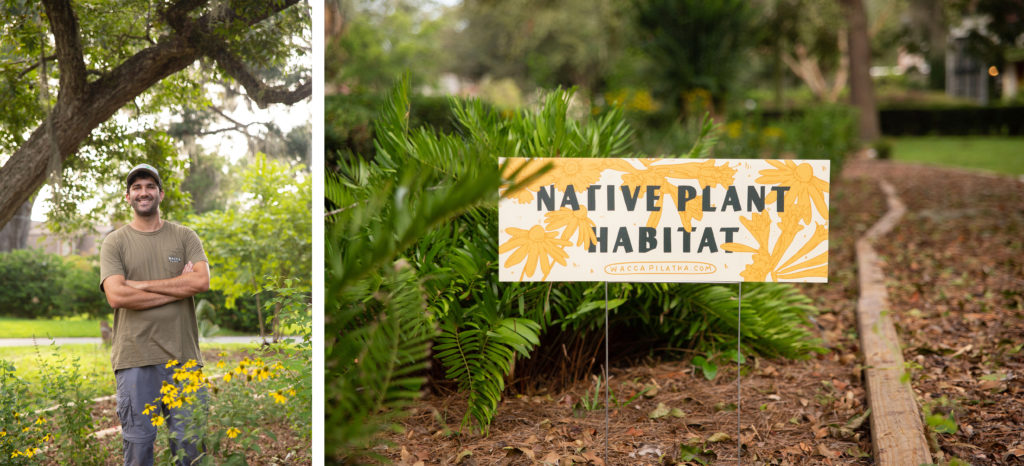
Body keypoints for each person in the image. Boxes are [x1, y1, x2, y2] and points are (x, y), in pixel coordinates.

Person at [99, 163, 211, 466]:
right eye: (136, 187)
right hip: (135, 359)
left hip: (184, 359)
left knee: (191, 450)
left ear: (161, 193)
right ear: (128, 196)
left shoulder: (185, 237)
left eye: (149, 186)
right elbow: (116, 295)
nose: (143, 192)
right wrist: (178, 285)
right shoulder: (115, 242)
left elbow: (201, 281)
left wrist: (140, 285)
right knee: (139, 451)